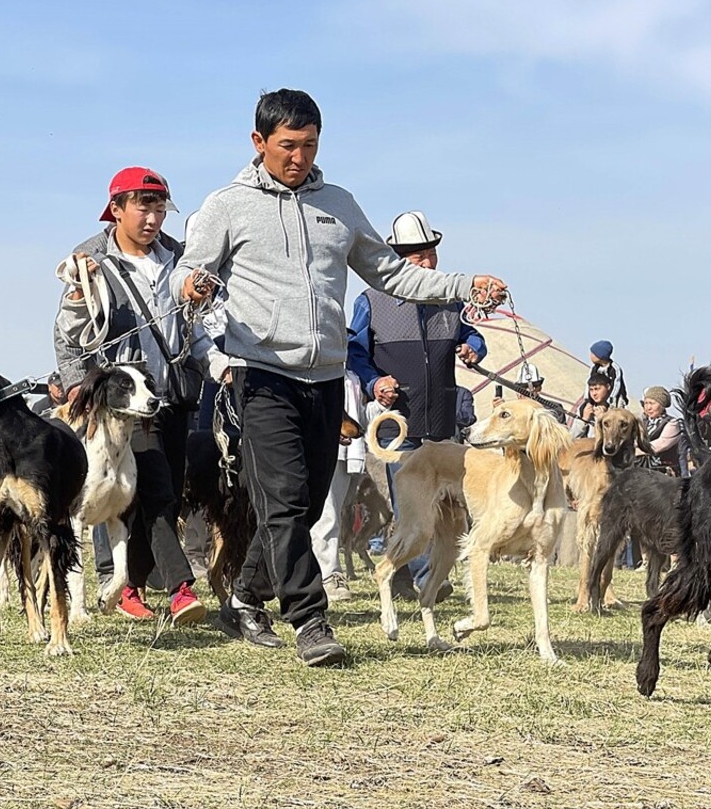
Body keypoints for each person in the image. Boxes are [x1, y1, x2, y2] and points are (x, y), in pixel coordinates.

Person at [175, 88, 507, 666]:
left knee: (301, 505)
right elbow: (191, 268)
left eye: (308, 145)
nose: (298, 157)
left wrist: (463, 285)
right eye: (286, 146)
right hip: (261, 373)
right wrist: (192, 284)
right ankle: (309, 620)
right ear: (259, 143)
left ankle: (247, 595)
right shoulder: (227, 205)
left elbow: (392, 275)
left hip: (325, 379)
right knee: (282, 498)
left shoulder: (339, 204)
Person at [54, 166, 208, 628]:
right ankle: (177, 588)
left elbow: (194, 324)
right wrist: (80, 383)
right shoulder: (89, 260)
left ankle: (131, 587)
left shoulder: (178, 258)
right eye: (143, 206)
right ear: (116, 209)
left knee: (160, 494)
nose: (152, 217)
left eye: (159, 207)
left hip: (172, 393)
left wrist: (213, 362)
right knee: (147, 489)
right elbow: (66, 332)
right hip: (120, 402)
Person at [347, 210, 487, 597]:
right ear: (397, 260)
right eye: (417, 257)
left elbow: (475, 337)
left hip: (441, 420)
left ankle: (413, 574)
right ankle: (425, 578)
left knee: (443, 508)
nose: (427, 263)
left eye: (430, 253)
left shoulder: (449, 300)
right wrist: (375, 382)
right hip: (399, 423)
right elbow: (354, 352)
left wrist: (472, 348)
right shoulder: (372, 301)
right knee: (413, 505)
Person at [311, 369, 366, 603]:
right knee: (327, 514)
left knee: (335, 512)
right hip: (319, 441)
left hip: (346, 449)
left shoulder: (354, 359)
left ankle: (327, 572)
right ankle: (329, 575)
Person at [494, 362, 567, 425]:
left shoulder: (555, 409)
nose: (530, 390)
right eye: (524, 386)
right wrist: (499, 412)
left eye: (535, 385)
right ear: (517, 392)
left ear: (539, 388)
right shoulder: (511, 412)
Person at [641, 386, 680, 473]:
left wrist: (636, 449)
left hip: (665, 472)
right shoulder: (643, 423)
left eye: (652, 403)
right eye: (646, 403)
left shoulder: (672, 423)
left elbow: (661, 444)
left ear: (662, 405)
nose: (648, 407)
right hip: (644, 470)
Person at [570, 372, 615, 439]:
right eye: (591, 390)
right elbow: (571, 437)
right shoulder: (583, 408)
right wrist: (584, 420)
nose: (594, 394)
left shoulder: (614, 412)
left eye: (597, 389)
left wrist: (602, 420)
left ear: (608, 387)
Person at [589, 340, 628, 408]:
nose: (590, 356)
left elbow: (616, 386)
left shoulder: (614, 368)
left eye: (593, 354)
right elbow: (590, 383)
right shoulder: (595, 368)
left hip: (615, 398)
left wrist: (610, 400)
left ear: (600, 355)